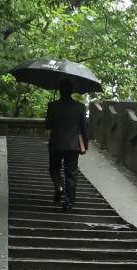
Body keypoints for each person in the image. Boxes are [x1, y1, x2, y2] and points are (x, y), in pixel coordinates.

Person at [45, 80, 88, 212]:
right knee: (71, 174)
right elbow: (84, 128)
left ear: (60, 91)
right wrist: (85, 145)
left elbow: (48, 125)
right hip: (73, 146)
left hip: (56, 144)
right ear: (72, 91)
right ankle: (69, 203)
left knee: (54, 168)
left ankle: (59, 186)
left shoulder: (53, 106)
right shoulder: (80, 107)